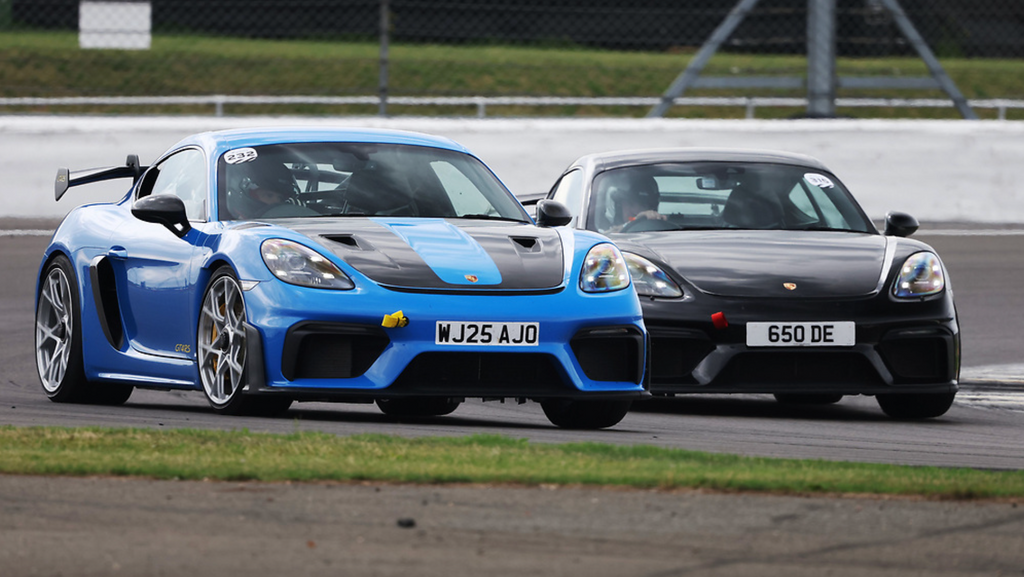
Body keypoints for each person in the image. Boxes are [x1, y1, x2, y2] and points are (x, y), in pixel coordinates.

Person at [226, 156, 301, 219]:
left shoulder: (293, 224)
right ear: (250, 195)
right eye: (269, 196)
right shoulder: (232, 225)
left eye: (280, 198)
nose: (276, 202)